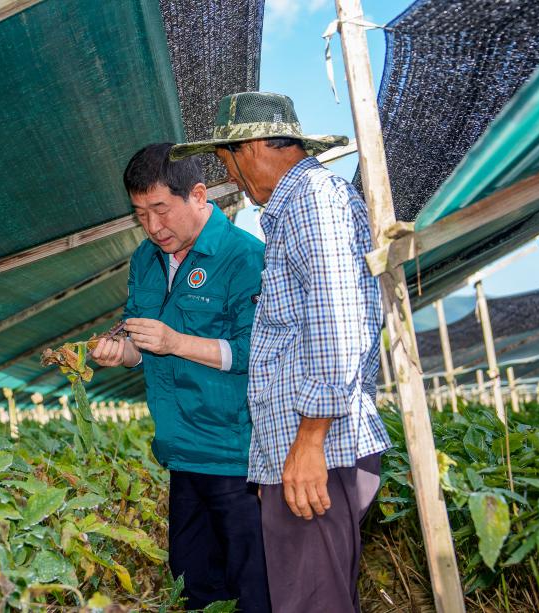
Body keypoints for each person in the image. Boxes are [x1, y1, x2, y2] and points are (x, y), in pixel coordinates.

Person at [171, 92, 392, 612]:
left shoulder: (313, 201)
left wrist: (309, 443)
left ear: (249, 147)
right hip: (302, 450)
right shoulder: (298, 206)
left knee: (313, 603)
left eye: (227, 162)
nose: (235, 180)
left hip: (319, 450)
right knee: (311, 597)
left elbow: (336, 322)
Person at [91, 143, 269, 611]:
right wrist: (122, 353)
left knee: (254, 590)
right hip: (181, 452)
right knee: (196, 588)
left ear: (197, 194)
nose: (152, 227)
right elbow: (142, 343)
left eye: (161, 210)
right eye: (140, 214)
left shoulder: (244, 257)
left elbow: (259, 353)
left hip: (238, 457)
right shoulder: (144, 260)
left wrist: (175, 342)